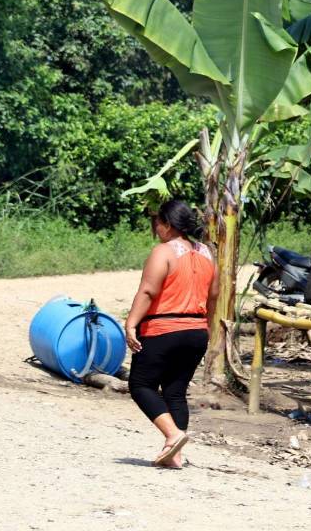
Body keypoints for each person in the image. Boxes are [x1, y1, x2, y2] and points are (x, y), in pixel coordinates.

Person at [124, 199, 218, 468]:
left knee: (141, 385)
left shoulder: (163, 252)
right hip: (197, 331)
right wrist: (207, 328)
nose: (156, 228)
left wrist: (131, 324)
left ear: (167, 224)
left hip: (163, 328)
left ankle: (173, 434)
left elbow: (148, 291)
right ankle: (174, 456)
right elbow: (214, 296)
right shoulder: (207, 253)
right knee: (175, 392)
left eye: (158, 223)